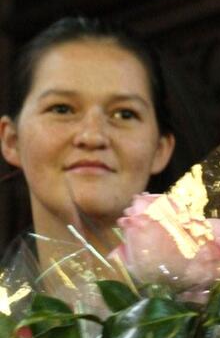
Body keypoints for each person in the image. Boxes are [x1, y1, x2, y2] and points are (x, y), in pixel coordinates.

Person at [0, 17, 175, 272]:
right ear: (11, 141)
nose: (93, 136)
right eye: (62, 109)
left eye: (124, 114)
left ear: (160, 149)